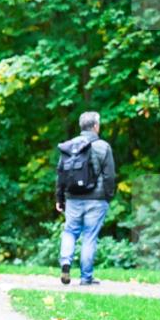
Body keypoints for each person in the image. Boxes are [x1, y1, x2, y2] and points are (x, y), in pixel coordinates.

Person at [55, 111, 116, 286]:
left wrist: (60, 198)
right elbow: (109, 176)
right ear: (96, 126)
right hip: (97, 200)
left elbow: (60, 175)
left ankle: (65, 262)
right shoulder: (103, 146)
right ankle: (86, 277)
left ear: (81, 126)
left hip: (73, 198)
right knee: (89, 236)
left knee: (70, 231)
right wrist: (107, 196)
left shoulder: (69, 146)